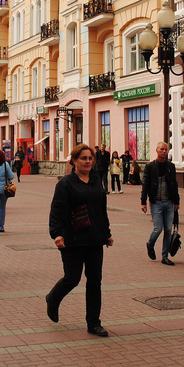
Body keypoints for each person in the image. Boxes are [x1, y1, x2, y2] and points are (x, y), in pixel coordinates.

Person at [46, 144, 113, 337]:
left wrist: (106, 233)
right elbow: (57, 210)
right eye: (83, 158)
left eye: (90, 158)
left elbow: (101, 210)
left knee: (94, 281)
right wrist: (57, 234)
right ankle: (53, 298)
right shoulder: (65, 183)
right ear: (74, 161)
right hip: (72, 238)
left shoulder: (95, 180)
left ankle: (94, 323)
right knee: (72, 278)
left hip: (94, 238)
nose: (87, 162)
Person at [140, 142, 179, 266]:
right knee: (158, 228)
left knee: (168, 229)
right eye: (161, 149)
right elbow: (145, 184)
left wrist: (177, 201)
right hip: (156, 202)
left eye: (166, 149)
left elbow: (174, 184)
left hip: (169, 202)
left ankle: (165, 256)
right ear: (156, 150)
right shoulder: (150, 167)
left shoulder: (170, 166)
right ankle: (150, 244)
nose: (164, 151)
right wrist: (143, 202)